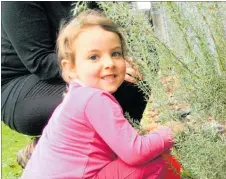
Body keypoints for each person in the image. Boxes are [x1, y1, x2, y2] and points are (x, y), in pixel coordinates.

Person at [17, 10, 179, 179]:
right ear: (70, 68)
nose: (109, 63)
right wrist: (170, 132)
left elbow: (107, 147)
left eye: (116, 53)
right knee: (152, 163)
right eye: (94, 56)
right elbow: (135, 153)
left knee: (115, 159)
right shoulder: (96, 99)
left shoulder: (75, 95)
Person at [1, 2, 146, 168]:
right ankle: (44, 152)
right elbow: (39, 61)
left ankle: (118, 150)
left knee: (134, 80)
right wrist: (100, 69)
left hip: (82, 66)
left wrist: (128, 61)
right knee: (94, 101)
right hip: (20, 86)